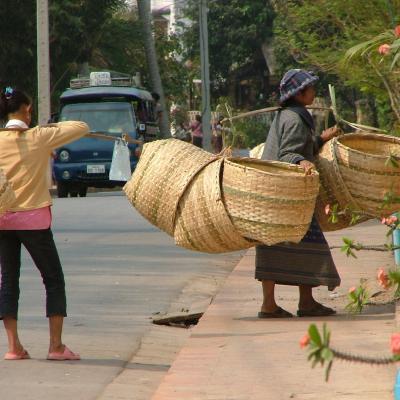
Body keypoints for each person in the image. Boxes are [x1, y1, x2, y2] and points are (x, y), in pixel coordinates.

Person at [0, 87, 90, 359]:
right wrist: (44, 129)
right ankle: (56, 346)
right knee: (52, 279)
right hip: (34, 220)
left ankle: (14, 347)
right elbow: (81, 126)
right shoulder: (39, 136)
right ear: (27, 111)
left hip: (3, 219)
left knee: (8, 281)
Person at [256, 69, 341, 318]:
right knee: (311, 245)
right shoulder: (294, 119)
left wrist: (320, 139)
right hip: (286, 195)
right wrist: (303, 163)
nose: (314, 92)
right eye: (311, 89)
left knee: (273, 247)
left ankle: (279, 304)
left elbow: (299, 146)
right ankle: (297, 304)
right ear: (300, 94)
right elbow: (288, 154)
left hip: (273, 192)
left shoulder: (291, 115)